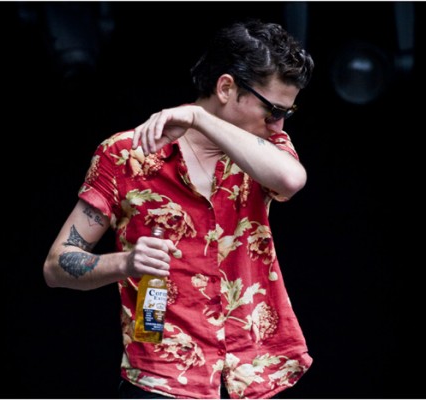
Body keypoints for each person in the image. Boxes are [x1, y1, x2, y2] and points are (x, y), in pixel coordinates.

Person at [43, 18, 315, 399]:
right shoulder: (127, 154)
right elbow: (57, 266)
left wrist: (199, 117)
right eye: (271, 110)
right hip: (164, 375)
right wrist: (125, 263)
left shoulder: (266, 148)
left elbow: (291, 180)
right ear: (226, 87)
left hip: (257, 374)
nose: (278, 124)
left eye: (287, 112)